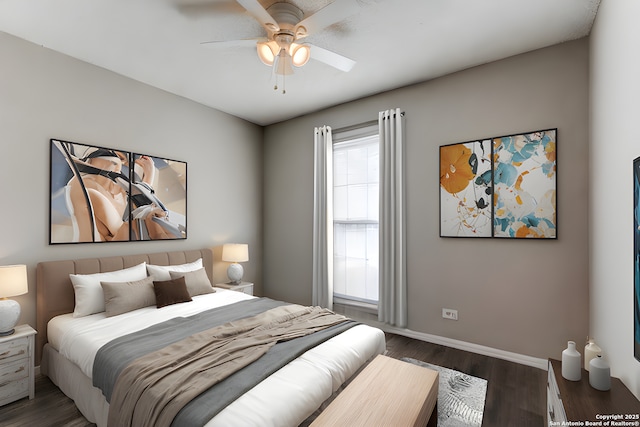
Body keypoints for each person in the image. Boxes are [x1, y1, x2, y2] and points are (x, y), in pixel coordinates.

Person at [66, 147, 169, 242]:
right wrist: (148, 178)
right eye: (117, 158)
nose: (120, 164)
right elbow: (128, 233)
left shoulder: (118, 191)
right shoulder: (90, 192)